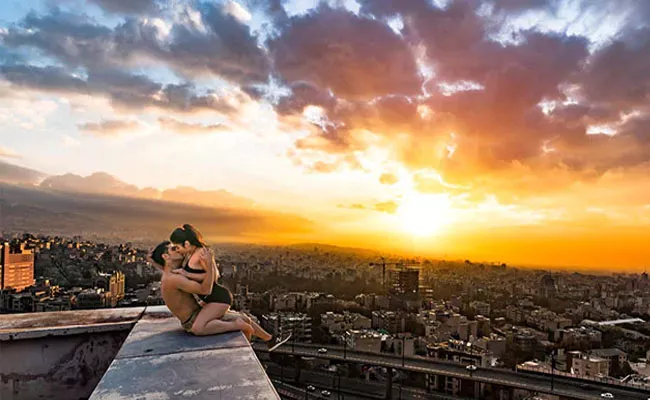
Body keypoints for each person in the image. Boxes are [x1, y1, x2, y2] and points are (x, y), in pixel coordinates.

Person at [149, 240, 255, 340]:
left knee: (245, 320)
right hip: (193, 321)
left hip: (198, 314)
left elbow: (166, 268)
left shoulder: (171, 274)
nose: (178, 249)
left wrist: (153, 261)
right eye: (174, 249)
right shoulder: (174, 278)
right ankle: (237, 326)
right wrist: (209, 265)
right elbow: (205, 290)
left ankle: (266, 338)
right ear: (165, 256)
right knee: (199, 329)